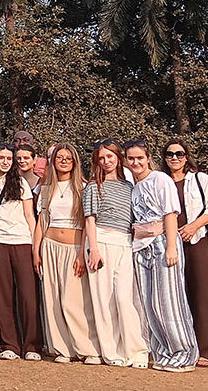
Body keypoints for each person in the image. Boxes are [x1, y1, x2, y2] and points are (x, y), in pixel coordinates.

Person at [127, 140, 199, 373]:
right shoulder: (135, 186)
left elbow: (171, 214)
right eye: (131, 158)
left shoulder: (161, 180)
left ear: (148, 158)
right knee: (150, 304)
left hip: (162, 244)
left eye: (140, 158)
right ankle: (163, 351)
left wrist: (171, 247)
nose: (136, 162)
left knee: (169, 302)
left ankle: (183, 353)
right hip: (141, 247)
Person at [161, 140, 208, 368]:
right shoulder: (161, 182)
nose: (174, 158)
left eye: (179, 154)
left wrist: (192, 227)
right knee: (176, 296)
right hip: (170, 243)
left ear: (186, 157)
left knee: (204, 294)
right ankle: (183, 347)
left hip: (198, 242)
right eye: (170, 154)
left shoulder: (200, 179)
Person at [82, 139, 148, 368]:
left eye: (110, 156)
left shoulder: (129, 187)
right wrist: (94, 249)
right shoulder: (92, 186)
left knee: (124, 298)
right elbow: (89, 220)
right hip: (100, 242)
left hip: (125, 244)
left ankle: (136, 351)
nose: (106, 161)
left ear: (118, 158)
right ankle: (111, 352)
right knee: (103, 300)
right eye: (101, 158)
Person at [32, 143, 100, 364]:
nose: (63, 161)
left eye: (68, 158)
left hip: (74, 248)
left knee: (75, 300)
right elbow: (42, 221)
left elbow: (85, 223)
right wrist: (36, 250)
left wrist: (82, 254)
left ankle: (87, 348)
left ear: (74, 162)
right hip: (49, 245)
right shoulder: (46, 189)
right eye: (59, 157)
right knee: (53, 298)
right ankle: (63, 349)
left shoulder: (82, 187)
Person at [0, 143, 41, 361]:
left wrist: (36, 246)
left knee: (28, 296)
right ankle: (9, 345)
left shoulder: (21, 184)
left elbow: (30, 216)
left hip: (22, 242)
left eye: (9, 158)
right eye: (1, 158)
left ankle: (32, 345)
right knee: (2, 295)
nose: (5, 161)